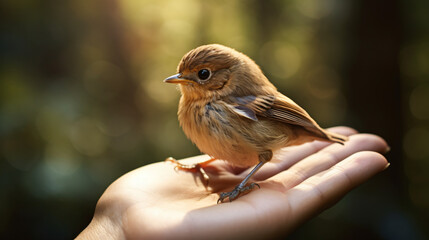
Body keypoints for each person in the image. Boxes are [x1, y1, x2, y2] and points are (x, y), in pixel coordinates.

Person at [76, 127, 389, 239]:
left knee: (263, 156)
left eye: (202, 75)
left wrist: (240, 187)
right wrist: (118, 227)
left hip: (276, 133)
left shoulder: (232, 97)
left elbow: (263, 154)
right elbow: (224, 147)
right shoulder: (192, 105)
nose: (184, 82)